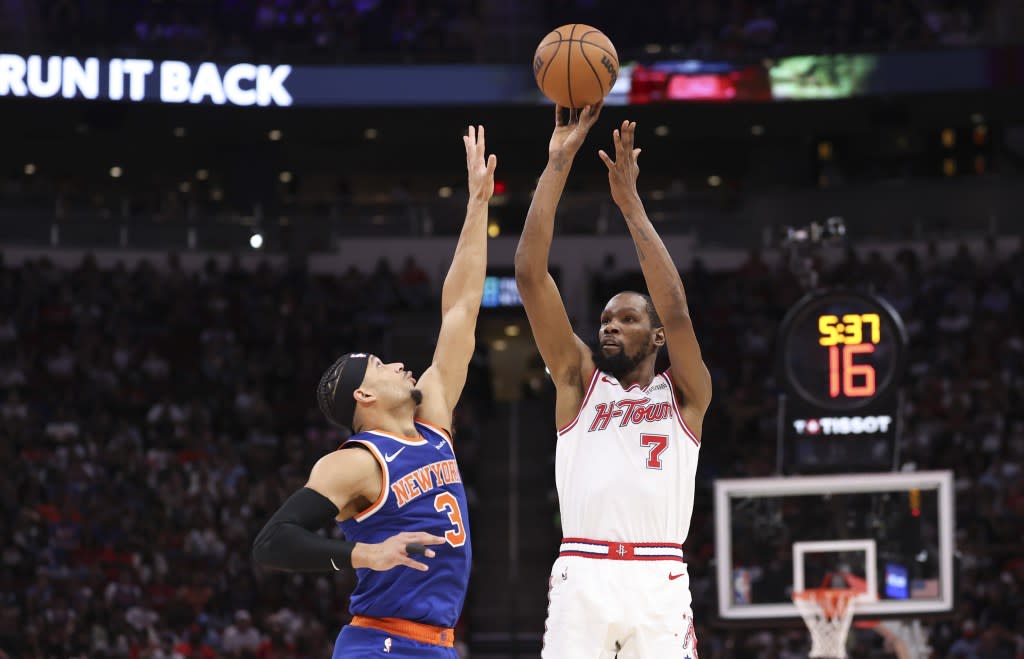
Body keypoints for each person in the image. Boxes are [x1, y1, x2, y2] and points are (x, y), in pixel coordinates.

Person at [252, 126, 497, 658]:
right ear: (363, 397)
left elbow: (461, 307)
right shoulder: (359, 462)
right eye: (383, 366)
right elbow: (273, 542)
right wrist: (364, 553)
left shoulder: (434, 418)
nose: (400, 365)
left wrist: (478, 204)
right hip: (380, 643)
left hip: (436, 644)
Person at [515, 105, 713, 658]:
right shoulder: (579, 383)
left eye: (627, 318)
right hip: (584, 571)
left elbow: (675, 309)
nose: (610, 325)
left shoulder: (685, 396)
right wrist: (558, 162)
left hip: (660, 577)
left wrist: (631, 206)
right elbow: (531, 276)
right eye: (605, 318)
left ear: (655, 339)